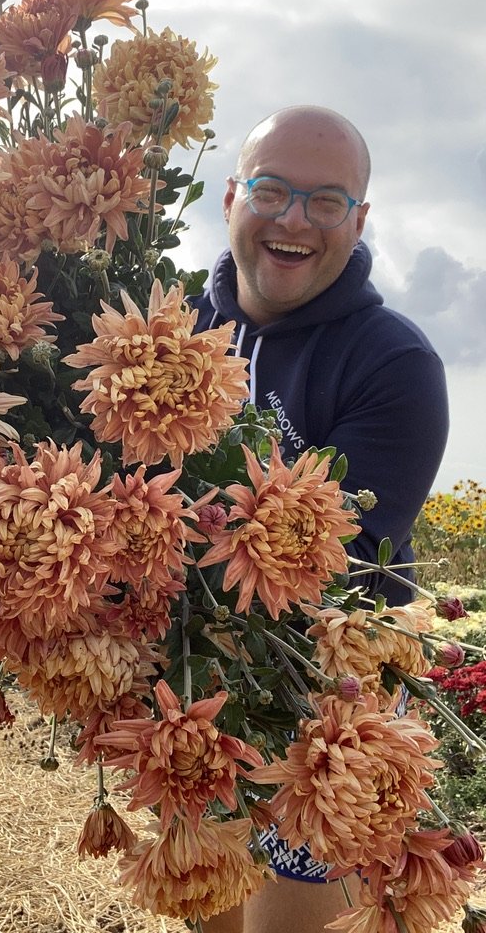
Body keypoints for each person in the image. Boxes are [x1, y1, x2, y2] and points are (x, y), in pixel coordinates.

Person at [191, 105, 449, 933]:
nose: (294, 219)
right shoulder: (170, 330)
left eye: (327, 201)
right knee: (205, 907)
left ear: (359, 220)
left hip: (323, 706)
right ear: (231, 197)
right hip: (187, 689)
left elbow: (322, 576)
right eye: (271, 190)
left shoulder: (396, 365)